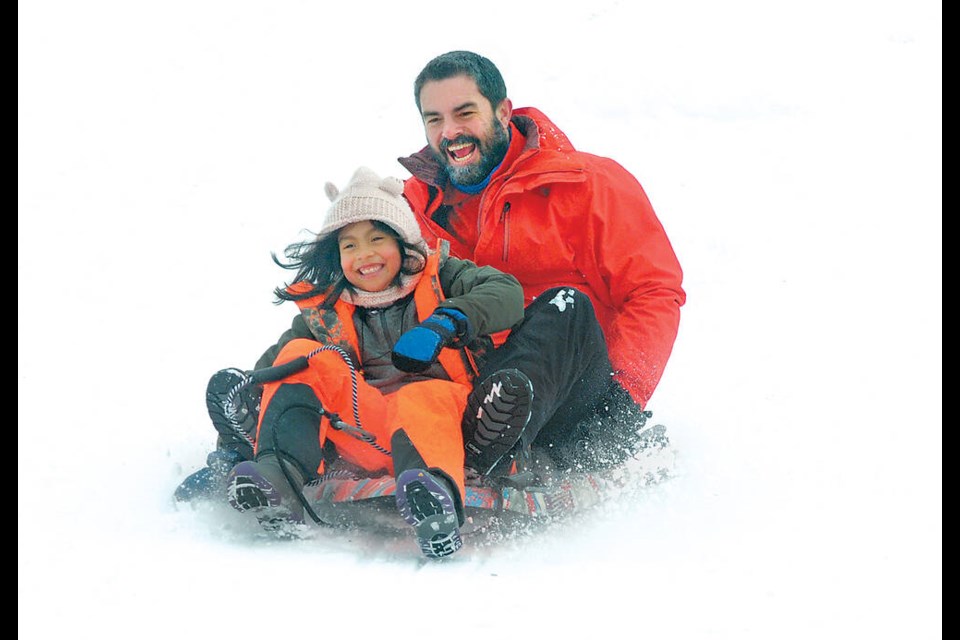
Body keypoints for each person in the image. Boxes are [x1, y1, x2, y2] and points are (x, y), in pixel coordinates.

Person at [188, 166, 527, 559]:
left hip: (449, 429)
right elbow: (278, 375)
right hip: (369, 433)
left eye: (376, 239)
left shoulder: (443, 276)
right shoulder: (326, 311)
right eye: (349, 246)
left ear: (403, 243)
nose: (364, 255)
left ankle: (434, 501)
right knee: (300, 358)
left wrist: (445, 322)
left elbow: (507, 294)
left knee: (419, 396)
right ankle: (278, 478)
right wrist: (230, 443)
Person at [397, 50, 686, 474]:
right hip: (459, 384)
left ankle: (490, 443)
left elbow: (652, 291)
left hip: (568, 393)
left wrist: (622, 403)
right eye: (434, 119)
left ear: (502, 111)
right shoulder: (412, 207)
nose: (450, 132)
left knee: (563, 305)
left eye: (465, 113)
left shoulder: (589, 184)